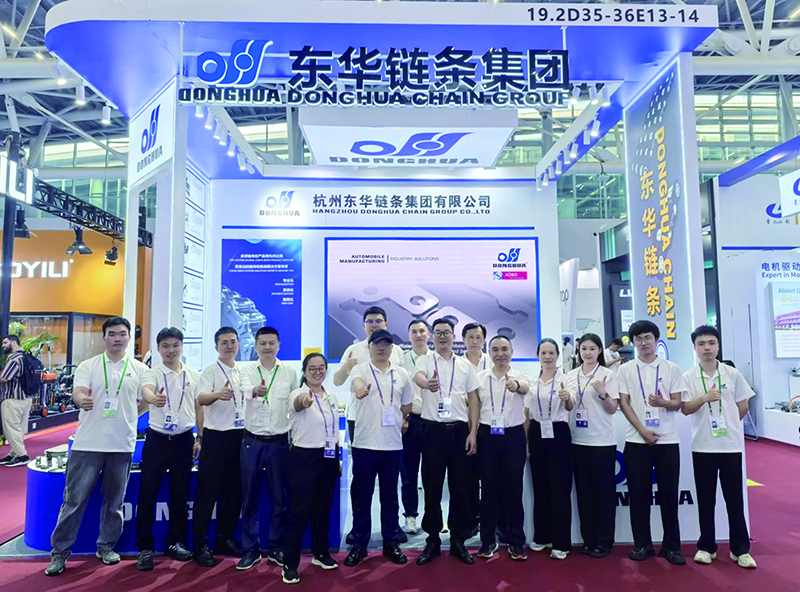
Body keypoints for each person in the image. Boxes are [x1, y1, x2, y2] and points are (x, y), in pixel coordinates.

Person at [45, 317, 148, 577]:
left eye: (122, 333)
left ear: (129, 337)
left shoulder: (139, 369)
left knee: (114, 503)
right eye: (112, 334)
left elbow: (144, 400)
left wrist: (130, 416)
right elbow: (78, 392)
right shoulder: (89, 365)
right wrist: (82, 400)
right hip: (87, 444)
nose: (117, 338)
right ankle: (59, 553)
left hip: (122, 446)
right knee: (74, 501)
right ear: (104, 338)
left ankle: (106, 547)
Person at [681, 325, 757, 569]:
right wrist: (704, 398)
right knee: (706, 499)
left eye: (711, 343)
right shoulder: (689, 376)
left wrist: (729, 425)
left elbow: (743, 406)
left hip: (730, 446)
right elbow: (685, 408)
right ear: (694, 348)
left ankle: (740, 550)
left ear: (718, 346)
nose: (707, 348)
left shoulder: (732, 374)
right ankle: (706, 547)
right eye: (701, 344)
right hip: (702, 446)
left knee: (734, 499)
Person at [617, 320, 689, 565]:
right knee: (639, 494)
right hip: (636, 440)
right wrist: (642, 430)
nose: (643, 342)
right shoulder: (625, 370)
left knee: (669, 494)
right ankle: (642, 544)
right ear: (633, 343)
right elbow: (624, 403)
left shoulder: (671, 368)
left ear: (656, 340)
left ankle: (672, 547)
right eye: (638, 339)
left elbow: (678, 403)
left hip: (667, 440)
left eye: (647, 337)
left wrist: (663, 403)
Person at [413, 318, 480, 566]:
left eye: (447, 333)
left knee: (460, 488)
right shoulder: (425, 360)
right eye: (438, 333)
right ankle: (432, 540)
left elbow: (474, 400)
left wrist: (473, 432)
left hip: (459, 431)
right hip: (432, 431)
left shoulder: (465, 366)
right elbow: (418, 377)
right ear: (432, 337)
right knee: (431, 487)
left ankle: (457, 540)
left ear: (454, 337)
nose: (443, 337)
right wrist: (427, 383)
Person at [344, 329, 414, 566]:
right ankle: (359, 545)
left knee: (390, 498)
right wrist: (360, 390)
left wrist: (399, 420)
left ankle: (390, 543)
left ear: (392, 348)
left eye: (386, 344)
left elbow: (407, 404)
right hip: (364, 444)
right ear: (370, 347)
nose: (382, 347)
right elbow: (356, 383)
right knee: (362, 498)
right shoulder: (361, 370)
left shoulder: (402, 373)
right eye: (377, 344)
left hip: (392, 445)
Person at [135, 327, 203, 571]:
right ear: (158, 348)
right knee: (147, 493)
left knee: (180, 493)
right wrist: (153, 398)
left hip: (184, 440)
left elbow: (199, 407)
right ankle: (145, 547)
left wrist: (200, 437)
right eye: (165, 346)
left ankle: (175, 542)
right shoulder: (152, 373)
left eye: (175, 345)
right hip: (157, 441)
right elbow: (146, 391)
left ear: (182, 346)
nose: (171, 350)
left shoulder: (193, 375)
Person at [236, 327, 299, 571]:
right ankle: (250, 549)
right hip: (251, 441)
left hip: (279, 442)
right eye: (262, 343)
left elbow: (294, 404)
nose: (267, 347)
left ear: (279, 345)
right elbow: (243, 390)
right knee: (249, 497)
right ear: (255, 346)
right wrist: (255, 390)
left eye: (272, 343)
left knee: (279, 498)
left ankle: (276, 547)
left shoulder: (290, 372)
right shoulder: (246, 370)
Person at [282, 353, 340, 585]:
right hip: (303, 457)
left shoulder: (331, 396)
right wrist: (304, 402)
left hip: (328, 456)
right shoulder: (298, 393)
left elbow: (332, 428)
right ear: (304, 372)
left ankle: (320, 552)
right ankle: (290, 563)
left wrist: (336, 457)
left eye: (321, 368)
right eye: (312, 369)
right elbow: (298, 404)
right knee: (299, 511)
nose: (317, 372)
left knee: (322, 508)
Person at [193, 327, 246, 567]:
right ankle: (200, 545)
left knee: (233, 492)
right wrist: (218, 394)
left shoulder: (243, 372)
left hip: (239, 436)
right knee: (207, 493)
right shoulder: (210, 371)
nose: (229, 346)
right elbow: (201, 398)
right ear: (216, 347)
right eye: (224, 342)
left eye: (233, 341)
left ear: (238, 344)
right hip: (215, 438)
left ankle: (225, 538)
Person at [475, 335, 529, 561]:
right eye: (495, 349)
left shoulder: (520, 375)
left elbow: (524, 388)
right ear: (489, 352)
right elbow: (474, 408)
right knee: (488, 489)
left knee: (514, 490)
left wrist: (515, 386)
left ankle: (516, 541)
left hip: (513, 436)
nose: (500, 354)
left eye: (504, 349)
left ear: (512, 352)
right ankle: (488, 540)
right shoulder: (480, 378)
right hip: (487, 435)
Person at [566, 333, 620, 559]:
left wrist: (602, 392)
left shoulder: (608, 375)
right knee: (584, 494)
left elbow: (612, 409)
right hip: (577, 440)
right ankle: (588, 539)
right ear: (578, 351)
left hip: (602, 442)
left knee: (603, 494)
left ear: (599, 350)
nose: (587, 353)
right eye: (584, 349)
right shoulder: (570, 376)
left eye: (592, 348)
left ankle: (604, 541)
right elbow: (569, 406)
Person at [526, 338, 573, 560]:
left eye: (551, 353)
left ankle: (561, 542)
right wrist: (526, 441)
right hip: (537, 431)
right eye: (543, 353)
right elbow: (527, 413)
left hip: (558, 432)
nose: (547, 357)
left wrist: (567, 398)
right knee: (540, 486)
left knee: (560, 488)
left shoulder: (566, 379)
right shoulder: (531, 381)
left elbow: (570, 405)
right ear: (538, 356)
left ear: (557, 356)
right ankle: (542, 537)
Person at [333, 306, 404, 443]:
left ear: (386, 325)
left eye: (378, 321)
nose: (374, 325)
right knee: (362, 455)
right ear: (363, 326)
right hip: (359, 417)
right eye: (369, 322)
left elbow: (404, 384)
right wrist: (346, 366)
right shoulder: (353, 350)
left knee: (390, 455)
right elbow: (337, 381)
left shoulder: (397, 351)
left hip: (389, 417)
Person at [400, 319, 430, 535]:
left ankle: (434, 516)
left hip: (432, 422)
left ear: (428, 334)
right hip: (410, 421)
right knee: (409, 473)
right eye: (414, 331)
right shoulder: (402, 361)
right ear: (409, 336)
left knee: (432, 474)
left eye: (422, 331)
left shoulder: (436, 359)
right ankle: (410, 516)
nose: (418, 335)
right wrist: (402, 418)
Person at [462, 322, 488, 539]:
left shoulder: (493, 361)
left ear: (484, 340)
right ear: (463, 340)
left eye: (478, 337)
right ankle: (469, 521)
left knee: (490, 476)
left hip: (489, 426)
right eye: (470, 337)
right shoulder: (458, 365)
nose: (474, 341)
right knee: (468, 477)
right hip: (465, 427)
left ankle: (491, 521)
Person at [0, 335, 32, 467]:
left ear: (13, 343)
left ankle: (23, 456)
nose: (3, 345)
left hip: (12, 399)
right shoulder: (27, 357)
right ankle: (14, 453)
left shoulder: (14, 358)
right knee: (19, 429)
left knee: (11, 429)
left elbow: (4, 378)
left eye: (5, 343)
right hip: (26, 398)